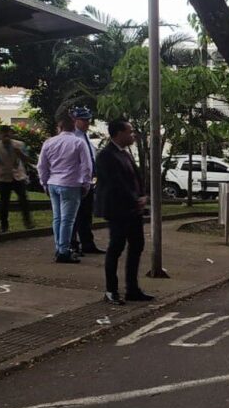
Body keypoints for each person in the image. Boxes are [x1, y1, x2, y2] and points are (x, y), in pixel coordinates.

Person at [93, 120, 153, 305]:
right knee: (116, 248)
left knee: (137, 246)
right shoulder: (106, 155)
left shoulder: (125, 154)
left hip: (133, 210)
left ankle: (132, 288)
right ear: (118, 133)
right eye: (130, 131)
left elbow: (135, 177)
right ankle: (111, 290)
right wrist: (135, 198)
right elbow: (115, 183)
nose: (133, 135)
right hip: (118, 210)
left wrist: (142, 196)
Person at [38, 117, 93, 264]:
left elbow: (42, 166)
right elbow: (86, 166)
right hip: (71, 184)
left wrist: (44, 183)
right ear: (73, 127)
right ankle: (63, 251)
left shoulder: (49, 142)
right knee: (67, 220)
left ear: (59, 128)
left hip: (53, 183)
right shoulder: (78, 142)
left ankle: (59, 247)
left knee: (57, 218)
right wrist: (86, 184)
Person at [69, 107, 105, 257]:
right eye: (83, 120)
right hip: (76, 181)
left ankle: (87, 243)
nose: (87, 123)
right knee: (74, 215)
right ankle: (73, 244)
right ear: (74, 120)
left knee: (85, 214)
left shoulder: (85, 137)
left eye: (88, 120)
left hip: (88, 181)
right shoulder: (72, 138)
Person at [0, 125, 34, 233]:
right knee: (4, 203)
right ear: (0, 136)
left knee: (24, 200)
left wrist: (20, 153)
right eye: (4, 136)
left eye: (8, 135)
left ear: (11, 134)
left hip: (19, 176)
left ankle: (28, 222)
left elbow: (28, 160)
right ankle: (4, 225)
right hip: (4, 178)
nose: (6, 138)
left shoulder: (20, 145)